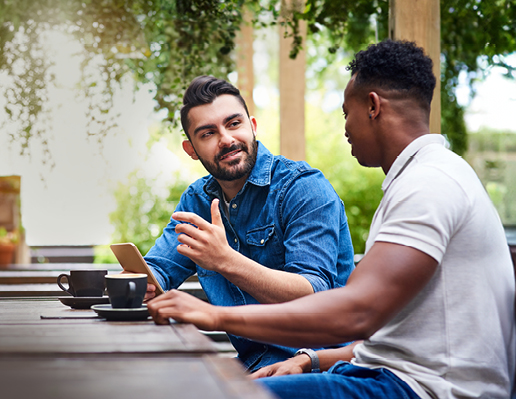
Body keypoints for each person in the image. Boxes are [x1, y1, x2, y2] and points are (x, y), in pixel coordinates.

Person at [147, 40, 516, 399]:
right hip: (380, 374)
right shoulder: (420, 179)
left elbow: (357, 312)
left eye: (345, 112)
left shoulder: (430, 185)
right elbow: (387, 339)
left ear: (372, 107)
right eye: (208, 132)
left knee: (212, 392)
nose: (344, 129)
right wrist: (312, 360)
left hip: (419, 389)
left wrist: (216, 316)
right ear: (192, 148)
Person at [141, 75, 355, 372]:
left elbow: (313, 292)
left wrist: (226, 260)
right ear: (191, 150)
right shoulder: (197, 200)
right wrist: (141, 282)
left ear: (252, 126)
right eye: (207, 133)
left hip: (316, 364)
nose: (227, 139)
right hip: (252, 362)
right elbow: (161, 269)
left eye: (233, 124)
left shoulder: (302, 188)